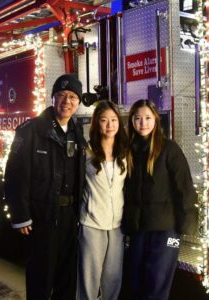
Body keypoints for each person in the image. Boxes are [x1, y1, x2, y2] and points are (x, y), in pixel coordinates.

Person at [4, 73, 87, 300]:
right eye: (61, 95)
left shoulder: (77, 132)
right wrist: (21, 215)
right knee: (41, 278)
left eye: (72, 97)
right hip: (42, 218)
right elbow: (14, 175)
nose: (66, 101)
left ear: (78, 102)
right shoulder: (30, 131)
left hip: (69, 218)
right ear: (52, 98)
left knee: (66, 279)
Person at [123, 99, 198, 300]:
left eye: (147, 118)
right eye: (137, 118)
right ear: (131, 121)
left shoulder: (169, 149)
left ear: (155, 120)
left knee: (157, 283)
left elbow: (185, 188)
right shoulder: (129, 151)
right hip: (140, 230)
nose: (142, 123)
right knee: (137, 282)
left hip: (167, 230)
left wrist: (186, 226)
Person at [78, 101, 128, 300]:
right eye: (104, 120)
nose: (110, 125)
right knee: (89, 280)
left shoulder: (125, 152)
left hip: (117, 226)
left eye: (114, 120)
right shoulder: (86, 151)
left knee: (113, 279)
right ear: (96, 123)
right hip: (91, 224)